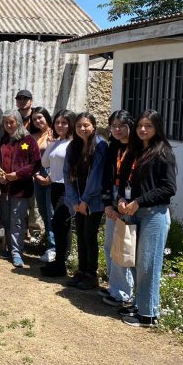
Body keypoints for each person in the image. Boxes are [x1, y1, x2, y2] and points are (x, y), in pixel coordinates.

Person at [117, 110, 177, 327]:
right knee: (134, 261)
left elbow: (169, 188)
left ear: (157, 128)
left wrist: (139, 201)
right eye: (140, 125)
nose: (143, 129)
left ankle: (148, 315)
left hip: (153, 215)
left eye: (149, 126)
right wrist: (121, 199)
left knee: (148, 264)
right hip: (133, 213)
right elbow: (123, 180)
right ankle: (139, 304)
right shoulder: (134, 151)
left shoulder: (163, 153)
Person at [0, 110, 41, 268]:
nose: (9, 125)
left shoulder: (28, 140)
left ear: (18, 122)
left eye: (12, 122)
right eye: (6, 123)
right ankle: (9, 248)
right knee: (5, 220)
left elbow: (35, 163)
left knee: (17, 221)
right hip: (3, 188)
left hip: (20, 188)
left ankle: (17, 252)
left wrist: (17, 175)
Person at [64, 112, 108, 290]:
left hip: (93, 200)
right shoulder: (73, 146)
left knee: (90, 235)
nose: (82, 128)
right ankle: (81, 271)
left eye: (86, 125)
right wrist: (74, 200)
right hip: (78, 200)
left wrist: (85, 200)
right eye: (79, 126)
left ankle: (91, 274)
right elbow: (67, 174)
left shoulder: (100, 145)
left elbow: (97, 175)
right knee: (80, 235)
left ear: (94, 126)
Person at [100, 110, 137, 306]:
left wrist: (121, 204)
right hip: (112, 197)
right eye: (113, 126)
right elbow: (106, 177)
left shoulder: (137, 148)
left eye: (121, 126)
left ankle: (124, 292)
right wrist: (107, 203)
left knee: (123, 245)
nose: (117, 130)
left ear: (130, 125)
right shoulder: (112, 147)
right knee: (109, 245)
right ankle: (114, 287)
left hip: (128, 201)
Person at [39, 110, 76, 277]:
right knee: (59, 225)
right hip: (55, 186)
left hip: (67, 188)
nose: (60, 125)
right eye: (57, 122)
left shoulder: (73, 143)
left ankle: (61, 262)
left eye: (64, 123)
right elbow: (44, 162)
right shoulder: (58, 142)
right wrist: (50, 144)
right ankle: (59, 262)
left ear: (71, 124)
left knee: (60, 223)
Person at [30, 106, 55, 260]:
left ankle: (53, 248)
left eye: (40, 117)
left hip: (52, 176)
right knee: (43, 212)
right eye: (34, 119)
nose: (37, 121)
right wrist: (35, 174)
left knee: (51, 213)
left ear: (46, 117)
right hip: (37, 176)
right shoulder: (33, 137)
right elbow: (27, 156)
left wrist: (50, 176)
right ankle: (50, 245)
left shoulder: (54, 133)